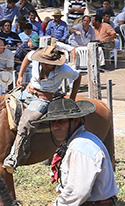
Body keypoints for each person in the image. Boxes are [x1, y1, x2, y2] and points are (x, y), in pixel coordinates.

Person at [4, 38, 81, 170]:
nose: (45, 65)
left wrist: (72, 97)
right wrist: (20, 75)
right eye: (43, 62)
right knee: (4, 102)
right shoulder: (35, 58)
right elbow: (27, 58)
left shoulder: (63, 69)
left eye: (48, 63)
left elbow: (78, 76)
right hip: (27, 91)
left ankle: (14, 156)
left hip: (43, 99)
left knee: (25, 121)